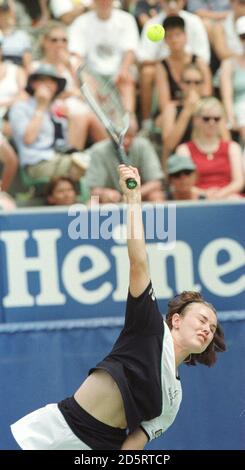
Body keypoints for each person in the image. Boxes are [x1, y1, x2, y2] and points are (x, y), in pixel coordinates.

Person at [10, 164, 226, 450]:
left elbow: (134, 443)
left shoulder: (174, 397)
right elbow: (139, 262)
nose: (206, 329)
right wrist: (133, 200)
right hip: (59, 428)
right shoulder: (149, 329)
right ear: (175, 320)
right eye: (201, 319)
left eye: (211, 328)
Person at [176, 96, 244, 199]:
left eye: (216, 119)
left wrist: (220, 194)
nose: (212, 123)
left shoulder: (233, 147)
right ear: (195, 120)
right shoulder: (184, 150)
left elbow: (239, 181)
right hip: (197, 199)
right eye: (206, 119)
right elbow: (183, 183)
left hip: (229, 197)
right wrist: (205, 194)